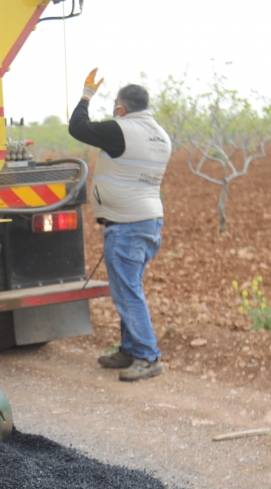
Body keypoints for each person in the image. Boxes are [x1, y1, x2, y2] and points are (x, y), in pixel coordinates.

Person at [68, 69, 171, 382]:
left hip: (126, 226)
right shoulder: (161, 135)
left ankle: (147, 356)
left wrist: (87, 94)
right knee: (130, 288)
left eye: (115, 105)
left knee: (128, 294)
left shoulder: (121, 130)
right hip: (148, 222)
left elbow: (78, 127)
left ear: (121, 109)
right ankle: (129, 349)